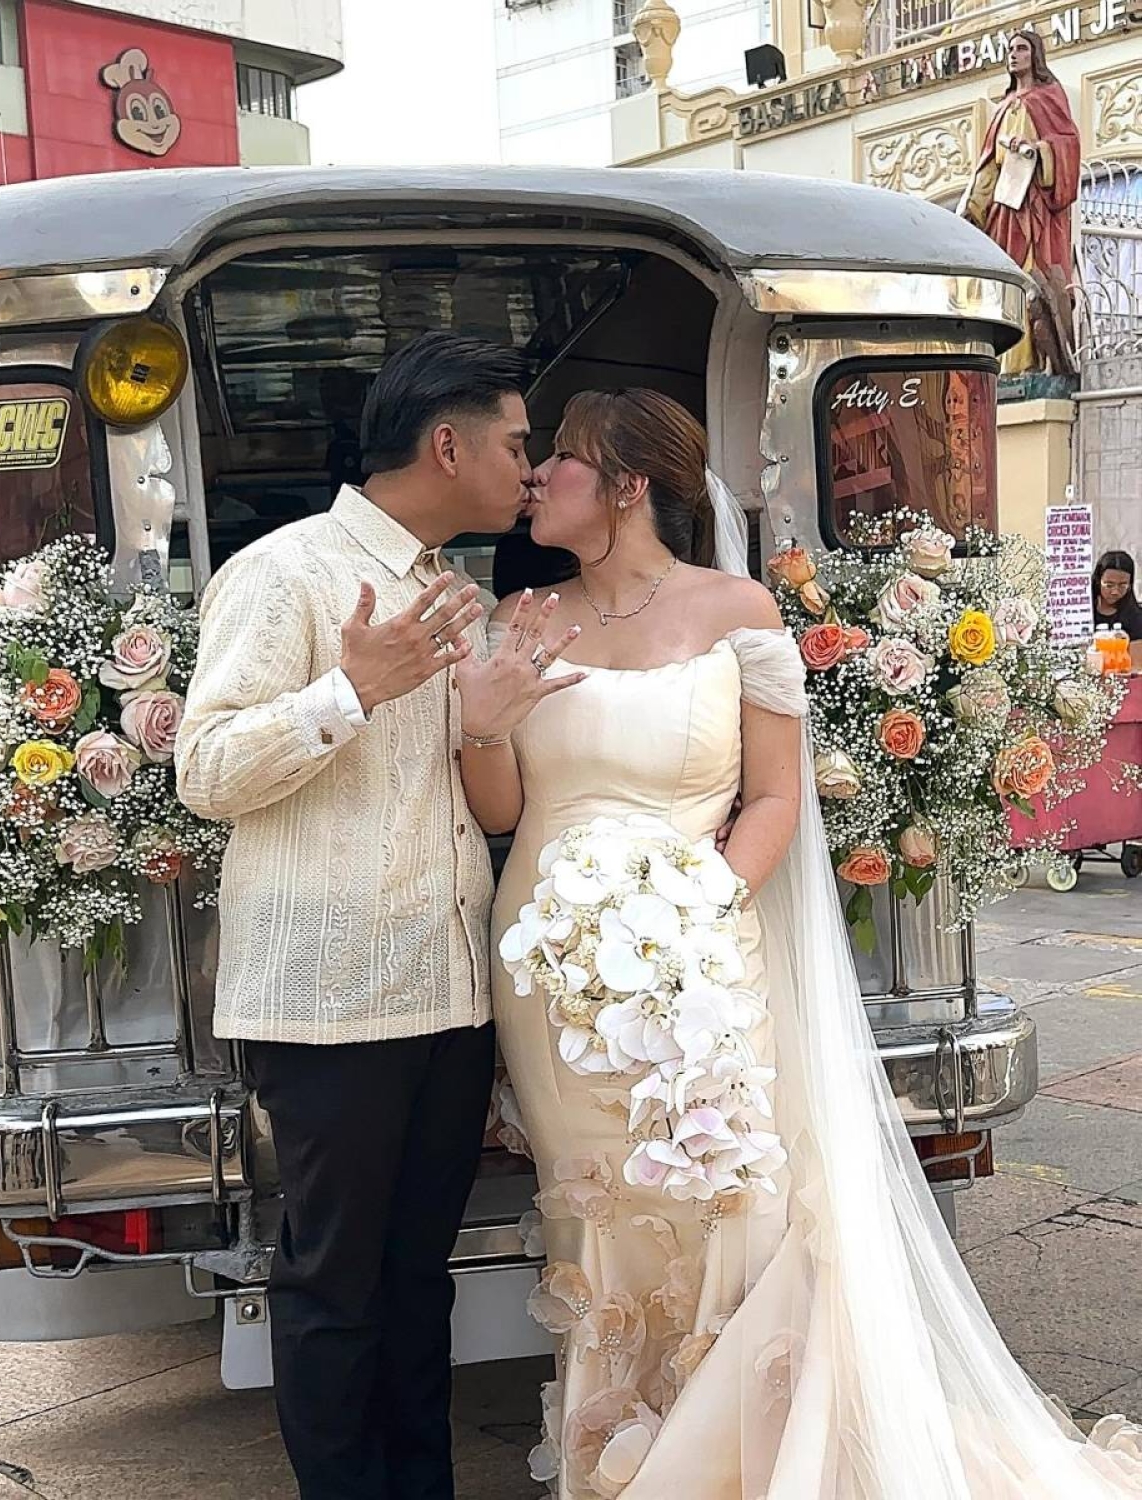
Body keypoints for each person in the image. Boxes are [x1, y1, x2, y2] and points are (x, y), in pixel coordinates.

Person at [457, 387, 1142, 1498]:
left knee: (737, 1204)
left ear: (629, 485)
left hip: (704, 957)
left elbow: (775, 798)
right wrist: (484, 716)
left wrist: (699, 912)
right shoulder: (522, 617)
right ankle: (621, 1455)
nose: (536, 478)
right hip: (552, 973)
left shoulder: (739, 615)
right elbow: (498, 809)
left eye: (562, 461)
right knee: (599, 1218)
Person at [175, 332, 582, 1500]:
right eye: (515, 444)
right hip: (327, 998)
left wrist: (487, 718)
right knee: (331, 1284)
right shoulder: (286, 573)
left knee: (419, 1280)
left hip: (448, 992)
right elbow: (204, 771)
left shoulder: (456, 591)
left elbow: (463, 793)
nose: (528, 468)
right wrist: (351, 690)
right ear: (446, 444)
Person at [960, 30, 1081, 377]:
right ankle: (1008, 363)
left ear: (1035, 55)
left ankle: (1037, 362)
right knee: (1007, 281)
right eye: (1010, 49)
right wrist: (974, 208)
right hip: (1005, 208)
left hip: (1035, 206)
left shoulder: (1050, 97)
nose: (1014, 55)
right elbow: (988, 166)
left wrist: (1036, 151)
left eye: (1022, 49)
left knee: (1037, 283)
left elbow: (1068, 145)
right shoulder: (1001, 109)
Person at [1092, 548, 1142, 640]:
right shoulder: (1083, 611)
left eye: (1122, 585)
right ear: (1098, 581)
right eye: (1109, 585)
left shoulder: (1136, 618)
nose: (1115, 592)